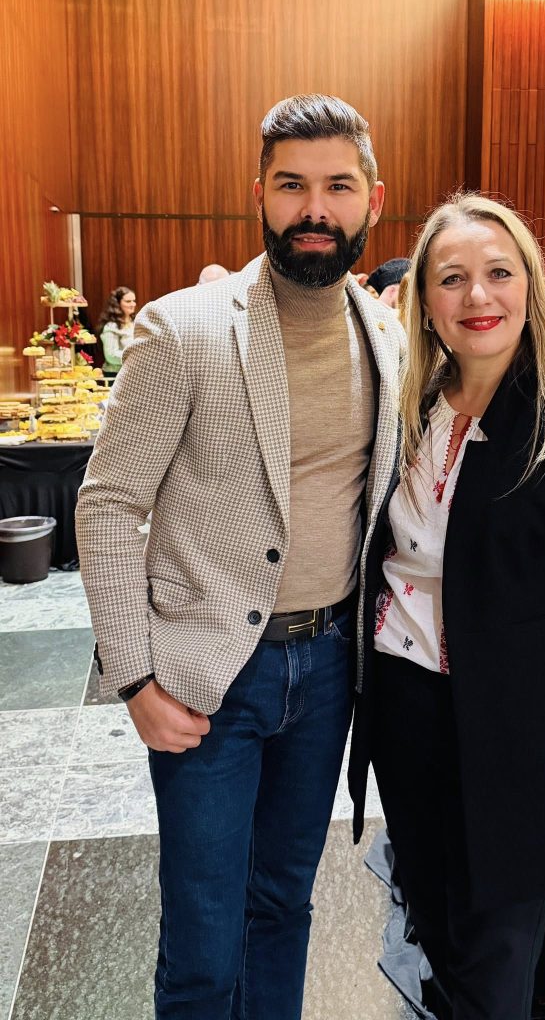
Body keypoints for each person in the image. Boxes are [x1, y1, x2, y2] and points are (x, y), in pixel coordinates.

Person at [76, 94, 401, 1019]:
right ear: (259, 195)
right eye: (291, 185)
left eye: (338, 186)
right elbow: (108, 503)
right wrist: (134, 677)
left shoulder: (388, 335)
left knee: (283, 905)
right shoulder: (182, 328)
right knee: (204, 938)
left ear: (373, 201)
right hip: (207, 674)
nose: (314, 209)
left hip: (330, 668)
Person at [348, 195, 545, 1020]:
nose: (478, 296)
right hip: (409, 718)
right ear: (425, 300)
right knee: (437, 935)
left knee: (494, 970)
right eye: (452, 278)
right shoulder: (409, 409)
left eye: (499, 272)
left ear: (532, 284)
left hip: (524, 738)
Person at [98, 286, 137, 374]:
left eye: (134, 301)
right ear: (118, 303)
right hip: (115, 374)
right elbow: (111, 356)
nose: (133, 304)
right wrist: (135, 357)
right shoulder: (111, 326)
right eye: (128, 301)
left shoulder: (135, 323)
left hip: (132, 373)